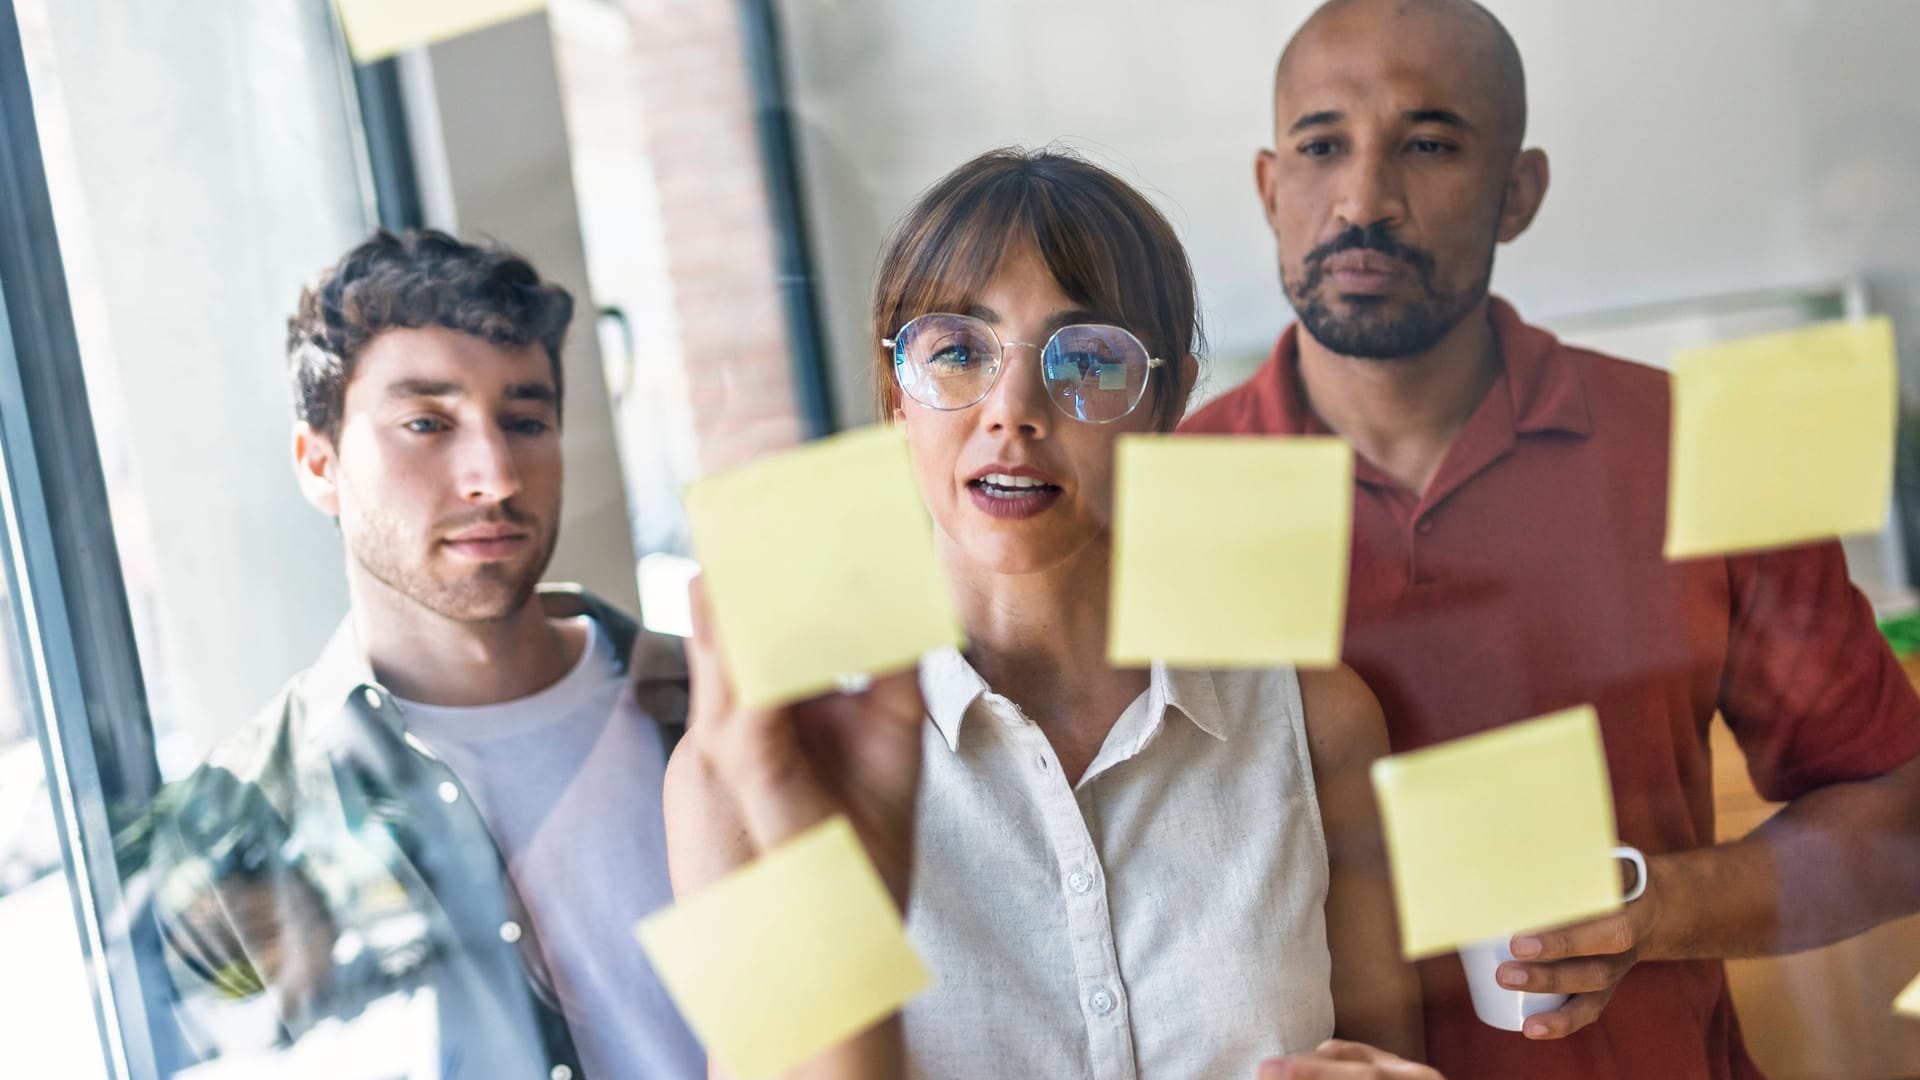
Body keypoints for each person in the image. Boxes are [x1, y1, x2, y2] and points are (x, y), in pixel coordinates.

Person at [1180, 1, 1920, 1077]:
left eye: (1428, 144)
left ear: (1518, 193)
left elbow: (1899, 812)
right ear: (1268, 187)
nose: (1363, 200)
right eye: (1322, 145)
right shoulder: (1167, 504)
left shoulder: (1699, 448)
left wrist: (1656, 909)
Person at [667, 148, 1433, 1080]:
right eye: (956, 352)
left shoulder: (1318, 720)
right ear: (895, 395)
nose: (1014, 412)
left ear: (1168, 399)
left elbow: (1387, 1056)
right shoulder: (751, 768)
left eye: (1087, 358)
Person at [134, 229, 701, 1078]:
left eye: (525, 420)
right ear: (318, 463)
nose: (496, 475)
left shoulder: (717, 704)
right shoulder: (247, 826)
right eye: (426, 423)